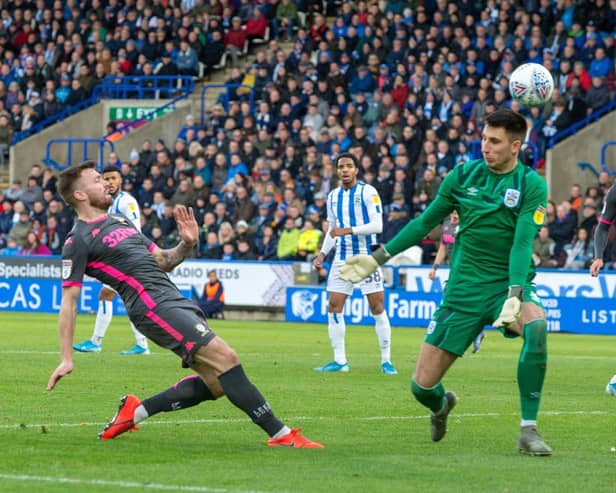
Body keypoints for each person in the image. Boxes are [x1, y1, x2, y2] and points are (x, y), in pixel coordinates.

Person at [47, 161, 322, 449]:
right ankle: (282, 435)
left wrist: (187, 244)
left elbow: (164, 261)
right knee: (227, 357)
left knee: (217, 383)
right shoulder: (77, 240)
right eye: (96, 180)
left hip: (173, 299)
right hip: (151, 306)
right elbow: (69, 301)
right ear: (79, 195)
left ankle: (135, 411)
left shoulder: (121, 222)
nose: (106, 183)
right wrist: (66, 357)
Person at [340, 110, 552, 455]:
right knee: (421, 388)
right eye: (484, 138)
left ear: (516, 146)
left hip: (507, 286)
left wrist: (515, 292)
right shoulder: (462, 175)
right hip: (462, 292)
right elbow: (424, 223)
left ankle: (528, 430)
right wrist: (376, 258)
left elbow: (523, 242)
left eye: (494, 141)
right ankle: (441, 406)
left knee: (538, 327)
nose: (485, 147)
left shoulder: (531, 184)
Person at [312, 153, 398, 375]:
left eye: (349, 166)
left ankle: (386, 361)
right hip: (341, 257)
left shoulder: (368, 192)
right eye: (341, 167)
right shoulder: (332, 196)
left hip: (366, 257)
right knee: (333, 306)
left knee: (377, 307)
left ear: (356, 170)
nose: (345, 170)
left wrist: (348, 230)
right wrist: (322, 253)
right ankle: (340, 361)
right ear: (337, 171)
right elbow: (333, 230)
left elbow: (378, 225)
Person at [72, 165, 151, 355]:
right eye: (105, 179)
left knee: (107, 295)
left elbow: (136, 231)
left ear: (120, 180)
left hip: (129, 257)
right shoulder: (108, 203)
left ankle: (96, 342)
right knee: (127, 298)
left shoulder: (126, 202)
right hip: (120, 258)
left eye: (113, 178)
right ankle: (142, 345)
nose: (109, 182)